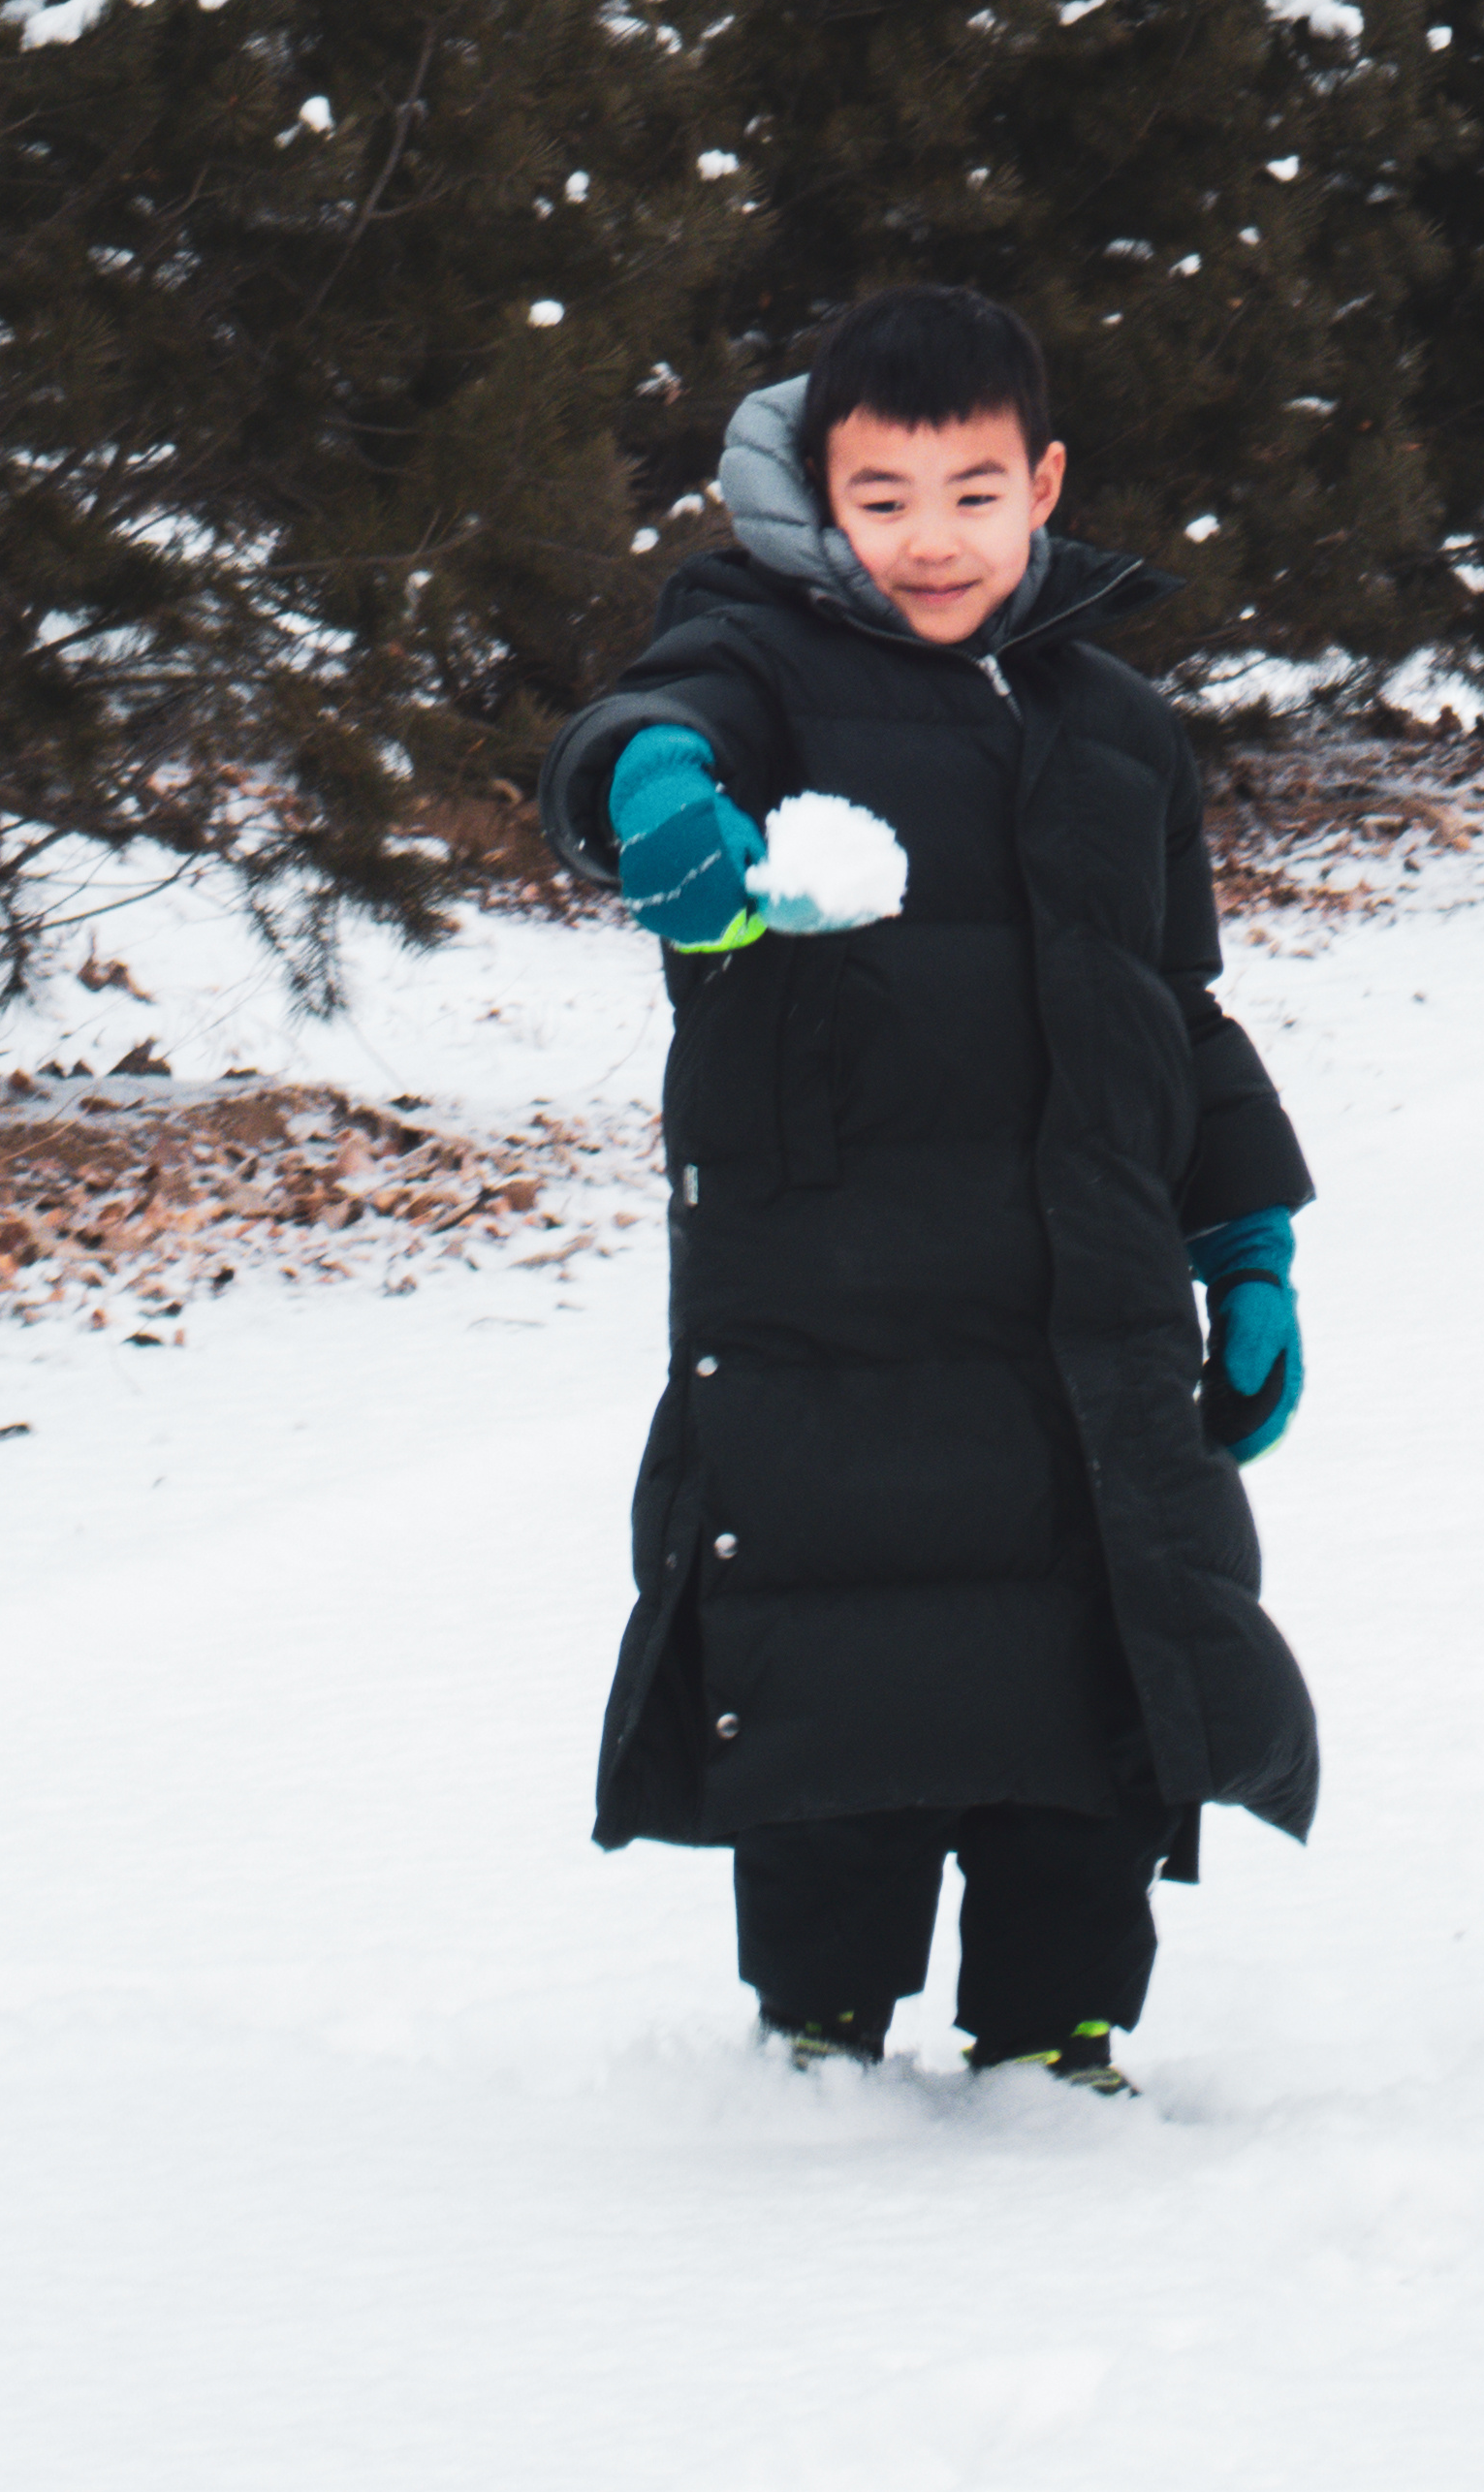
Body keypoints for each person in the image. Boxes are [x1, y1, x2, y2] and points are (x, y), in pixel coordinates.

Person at [538, 285, 1315, 2095]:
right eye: (880, 498)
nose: (931, 540)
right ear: (818, 495)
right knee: (841, 1679)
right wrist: (652, 791)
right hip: (832, 1312)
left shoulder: (1118, 725)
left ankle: (1063, 2039)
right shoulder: (761, 666)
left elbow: (1176, 1005)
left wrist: (1247, 1238)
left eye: (972, 493)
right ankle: (817, 2045)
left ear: (1042, 485)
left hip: (1086, 1319)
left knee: (1094, 1679)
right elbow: (646, 727)